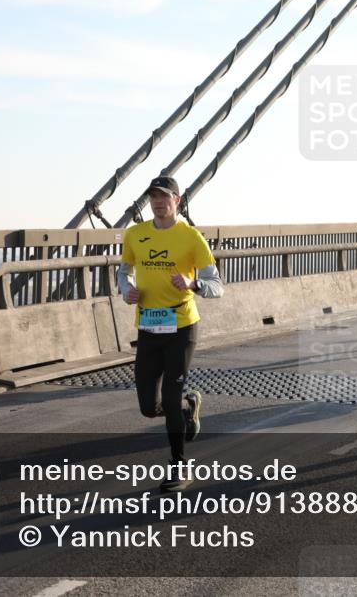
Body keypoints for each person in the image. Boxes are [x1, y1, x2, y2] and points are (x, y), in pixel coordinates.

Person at [118, 176, 225, 492]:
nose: (158, 202)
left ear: (177, 200)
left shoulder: (191, 237)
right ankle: (188, 408)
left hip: (182, 326)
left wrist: (193, 285)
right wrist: (127, 289)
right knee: (149, 407)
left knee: (171, 393)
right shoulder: (135, 234)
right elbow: (123, 271)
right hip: (149, 326)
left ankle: (180, 466)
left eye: (164, 197)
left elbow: (217, 285)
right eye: (153, 197)